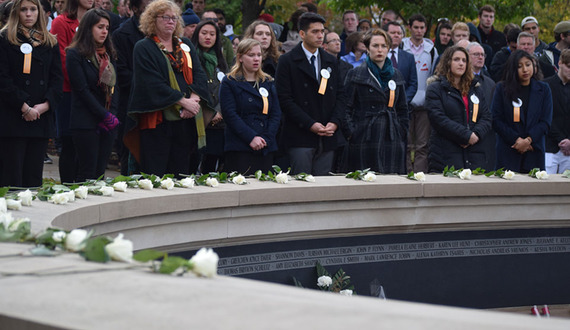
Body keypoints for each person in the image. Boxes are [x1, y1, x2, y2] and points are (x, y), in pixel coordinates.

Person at [125, 0, 211, 177]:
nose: (171, 21)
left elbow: (200, 75)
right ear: (152, 20)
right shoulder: (144, 47)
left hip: (186, 121)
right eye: (165, 17)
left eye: (174, 18)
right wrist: (183, 102)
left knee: (181, 174)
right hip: (157, 121)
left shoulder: (185, 44)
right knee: (155, 175)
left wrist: (194, 101)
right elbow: (152, 83)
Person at [0, 0, 63, 187]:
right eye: (24, 10)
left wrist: (44, 106)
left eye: (33, 9)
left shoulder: (49, 41)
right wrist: (24, 106)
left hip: (39, 119)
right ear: (16, 13)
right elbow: (3, 79)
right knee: (12, 177)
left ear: (40, 12)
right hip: (13, 117)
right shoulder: (4, 39)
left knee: (33, 179)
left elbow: (57, 79)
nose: (29, 14)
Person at [275, 12, 345, 175]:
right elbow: (284, 99)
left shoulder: (331, 61)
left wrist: (334, 122)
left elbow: (341, 95)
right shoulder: (287, 61)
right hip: (300, 135)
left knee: (323, 187)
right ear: (302, 34)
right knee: (301, 186)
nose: (320, 36)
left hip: (327, 135)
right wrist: (310, 124)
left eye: (322, 31)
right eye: (315, 32)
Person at [343, 29, 408, 174]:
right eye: (375, 46)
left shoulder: (396, 75)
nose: (380, 50)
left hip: (392, 136)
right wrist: (352, 132)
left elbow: (403, 108)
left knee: (392, 180)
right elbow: (346, 107)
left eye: (383, 46)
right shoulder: (356, 73)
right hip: (364, 135)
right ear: (367, 48)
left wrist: (401, 130)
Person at [66, 8, 119, 181]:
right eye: (100, 27)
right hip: (85, 121)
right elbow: (81, 90)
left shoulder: (109, 54)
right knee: (86, 173)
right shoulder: (75, 54)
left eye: (107, 27)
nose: (104, 31)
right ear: (88, 28)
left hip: (107, 121)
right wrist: (103, 115)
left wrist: (111, 115)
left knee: (100, 173)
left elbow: (115, 88)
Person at [425, 46, 492, 172]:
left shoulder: (476, 89)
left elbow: (486, 117)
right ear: (448, 62)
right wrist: (465, 135)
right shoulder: (435, 88)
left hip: (474, 152)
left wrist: (475, 135)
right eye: (456, 59)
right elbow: (438, 118)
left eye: (464, 60)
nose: (461, 63)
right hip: (445, 153)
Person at [220, 38, 281, 175]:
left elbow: (275, 114)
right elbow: (230, 114)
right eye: (251, 55)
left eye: (259, 55)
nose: (256, 59)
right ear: (240, 57)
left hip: (266, 146)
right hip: (240, 146)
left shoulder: (268, 81)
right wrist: (251, 137)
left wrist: (266, 138)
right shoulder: (230, 81)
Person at [50, 0, 93, 183]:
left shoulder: (95, 21)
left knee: (86, 145)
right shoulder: (61, 22)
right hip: (70, 92)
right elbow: (62, 58)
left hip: (92, 93)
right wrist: (84, 82)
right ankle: (68, 188)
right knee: (69, 144)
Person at [491, 50, 553, 172]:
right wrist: (517, 140)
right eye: (520, 66)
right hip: (509, 151)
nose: (525, 69)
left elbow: (545, 121)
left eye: (528, 64)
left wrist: (528, 140)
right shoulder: (501, 89)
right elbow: (496, 120)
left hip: (534, 151)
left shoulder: (544, 89)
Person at [111, 0, 151, 175]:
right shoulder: (122, 34)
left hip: (155, 105)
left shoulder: (159, 34)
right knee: (130, 152)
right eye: (145, 9)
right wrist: (151, 82)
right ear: (134, 9)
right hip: (131, 103)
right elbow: (121, 72)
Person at [402, 13, 438, 173]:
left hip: (424, 103)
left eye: (422, 28)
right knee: (406, 143)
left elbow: (433, 75)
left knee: (423, 144)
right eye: (415, 27)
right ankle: (406, 174)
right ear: (409, 28)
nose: (418, 31)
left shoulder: (431, 50)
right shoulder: (402, 47)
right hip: (405, 101)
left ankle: (420, 175)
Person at [191, 19, 228, 173]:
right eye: (204, 33)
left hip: (218, 123)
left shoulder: (221, 62)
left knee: (211, 166)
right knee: (193, 162)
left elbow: (226, 88)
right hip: (197, 119)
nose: (208, 37)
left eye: (212, 34)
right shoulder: (191, 58)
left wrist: (219, 111)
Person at [544, 49, 570, 174]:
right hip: (549, 146)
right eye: (569, 66)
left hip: (569, 149)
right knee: (545, 188)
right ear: (560, 63)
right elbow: (544, 116)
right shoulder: (545, 86)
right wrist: (560, 139)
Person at [383, 21, 417, 103]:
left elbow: (413, 84)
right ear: (385, 34)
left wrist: (403, 101)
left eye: (399, 33)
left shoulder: (409, 57)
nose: (396, 35)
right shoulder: (379, 55)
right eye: (393, 33)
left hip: (403, 105)